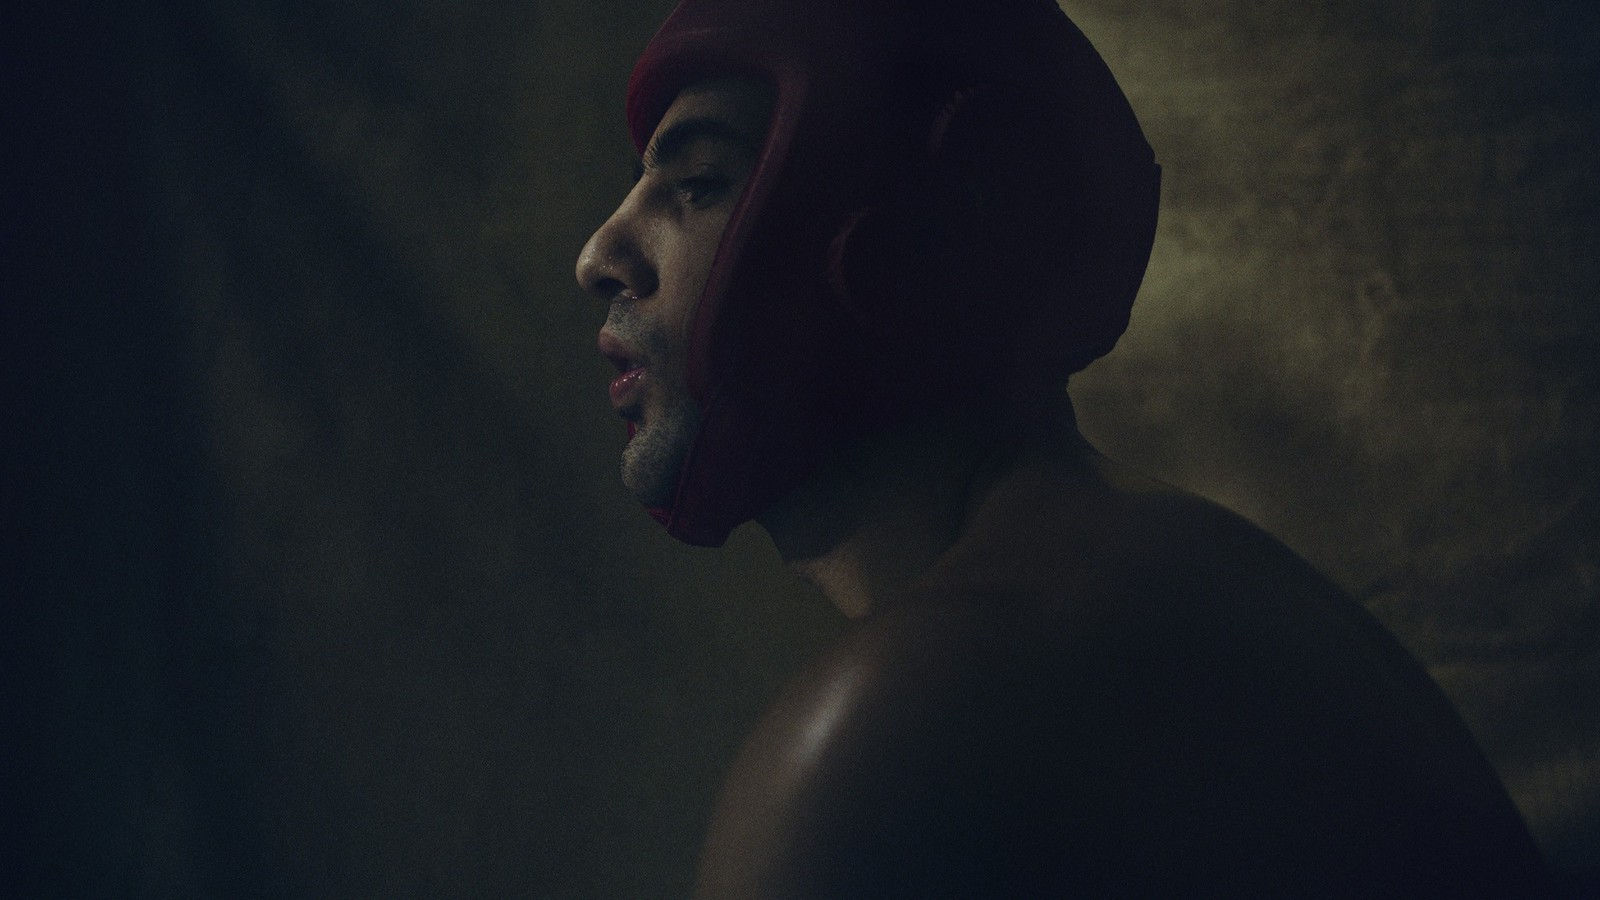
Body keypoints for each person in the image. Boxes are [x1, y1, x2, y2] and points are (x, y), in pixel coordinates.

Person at [575, 0, 1553, 896]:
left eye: (696, 185)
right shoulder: (1163, 574)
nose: (598, 256)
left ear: (899, 243)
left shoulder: (896, 731)